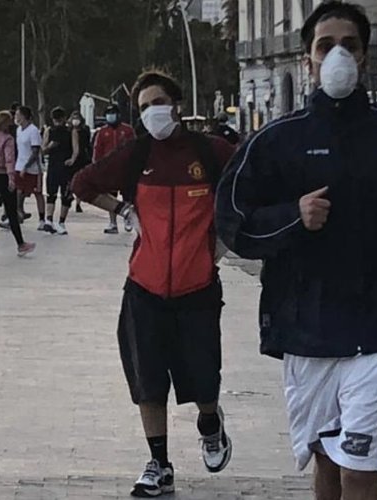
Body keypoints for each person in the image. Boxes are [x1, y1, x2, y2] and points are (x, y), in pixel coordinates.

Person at [214, 3, 377, 499]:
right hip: (307, 329)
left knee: (359, 466)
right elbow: (232, 223)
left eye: (348, 44)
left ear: (364, 54)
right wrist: (292, 217)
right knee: (326, 461)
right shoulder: (276, 140)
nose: (337, 55)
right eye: (326, 46)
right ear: (308, 59)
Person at [72, 70, 236, 498]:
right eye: (143, 107)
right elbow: (82, 184)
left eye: (157, 102)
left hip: (197, 287)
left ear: (176, 104)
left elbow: (248, 184)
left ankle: (210, 423)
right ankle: (159, 464)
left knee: (203, 376)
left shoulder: (210, 151)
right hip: (143, 289)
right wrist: (123, 210)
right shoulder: (135, 154)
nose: (151, 112)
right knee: (148, 380)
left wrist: (225, 238)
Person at [0, 110, 36, 259]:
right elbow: (9, 160)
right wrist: (12, 179)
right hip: (3, 176)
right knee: (11, 212)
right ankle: (21, 244)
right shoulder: (8, 139)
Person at [91, 103, 136, 234]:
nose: (111, 116)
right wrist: (97, 168)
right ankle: (112, 223)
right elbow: (97, 151)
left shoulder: (127, 130)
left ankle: (128, 218)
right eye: (108, 114)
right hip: (108, 169)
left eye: (113, 113)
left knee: (128, 197)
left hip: (126, 168)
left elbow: (134, 147)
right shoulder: (102, 132)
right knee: (111, 197)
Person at [13, 106, 48, 231]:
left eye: (17, 114)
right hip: (19, 165)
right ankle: (17, 214)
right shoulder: (18, 130)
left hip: (32, 168)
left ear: (23, 116)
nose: (15, 117)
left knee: (37, 193)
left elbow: (35, 152)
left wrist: (26, 167)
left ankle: (42, 219)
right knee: (18, 191)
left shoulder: (33, 131)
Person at [42, 107, 76, 235]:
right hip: (53, 165)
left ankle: (61, 222)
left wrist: (72, 159)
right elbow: (43, 148)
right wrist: (50, 146)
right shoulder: (49, 131)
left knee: (66, 195)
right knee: (51, 193)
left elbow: (75, 148)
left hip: (66, 167)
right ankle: (49, 220)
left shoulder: (70, 131)